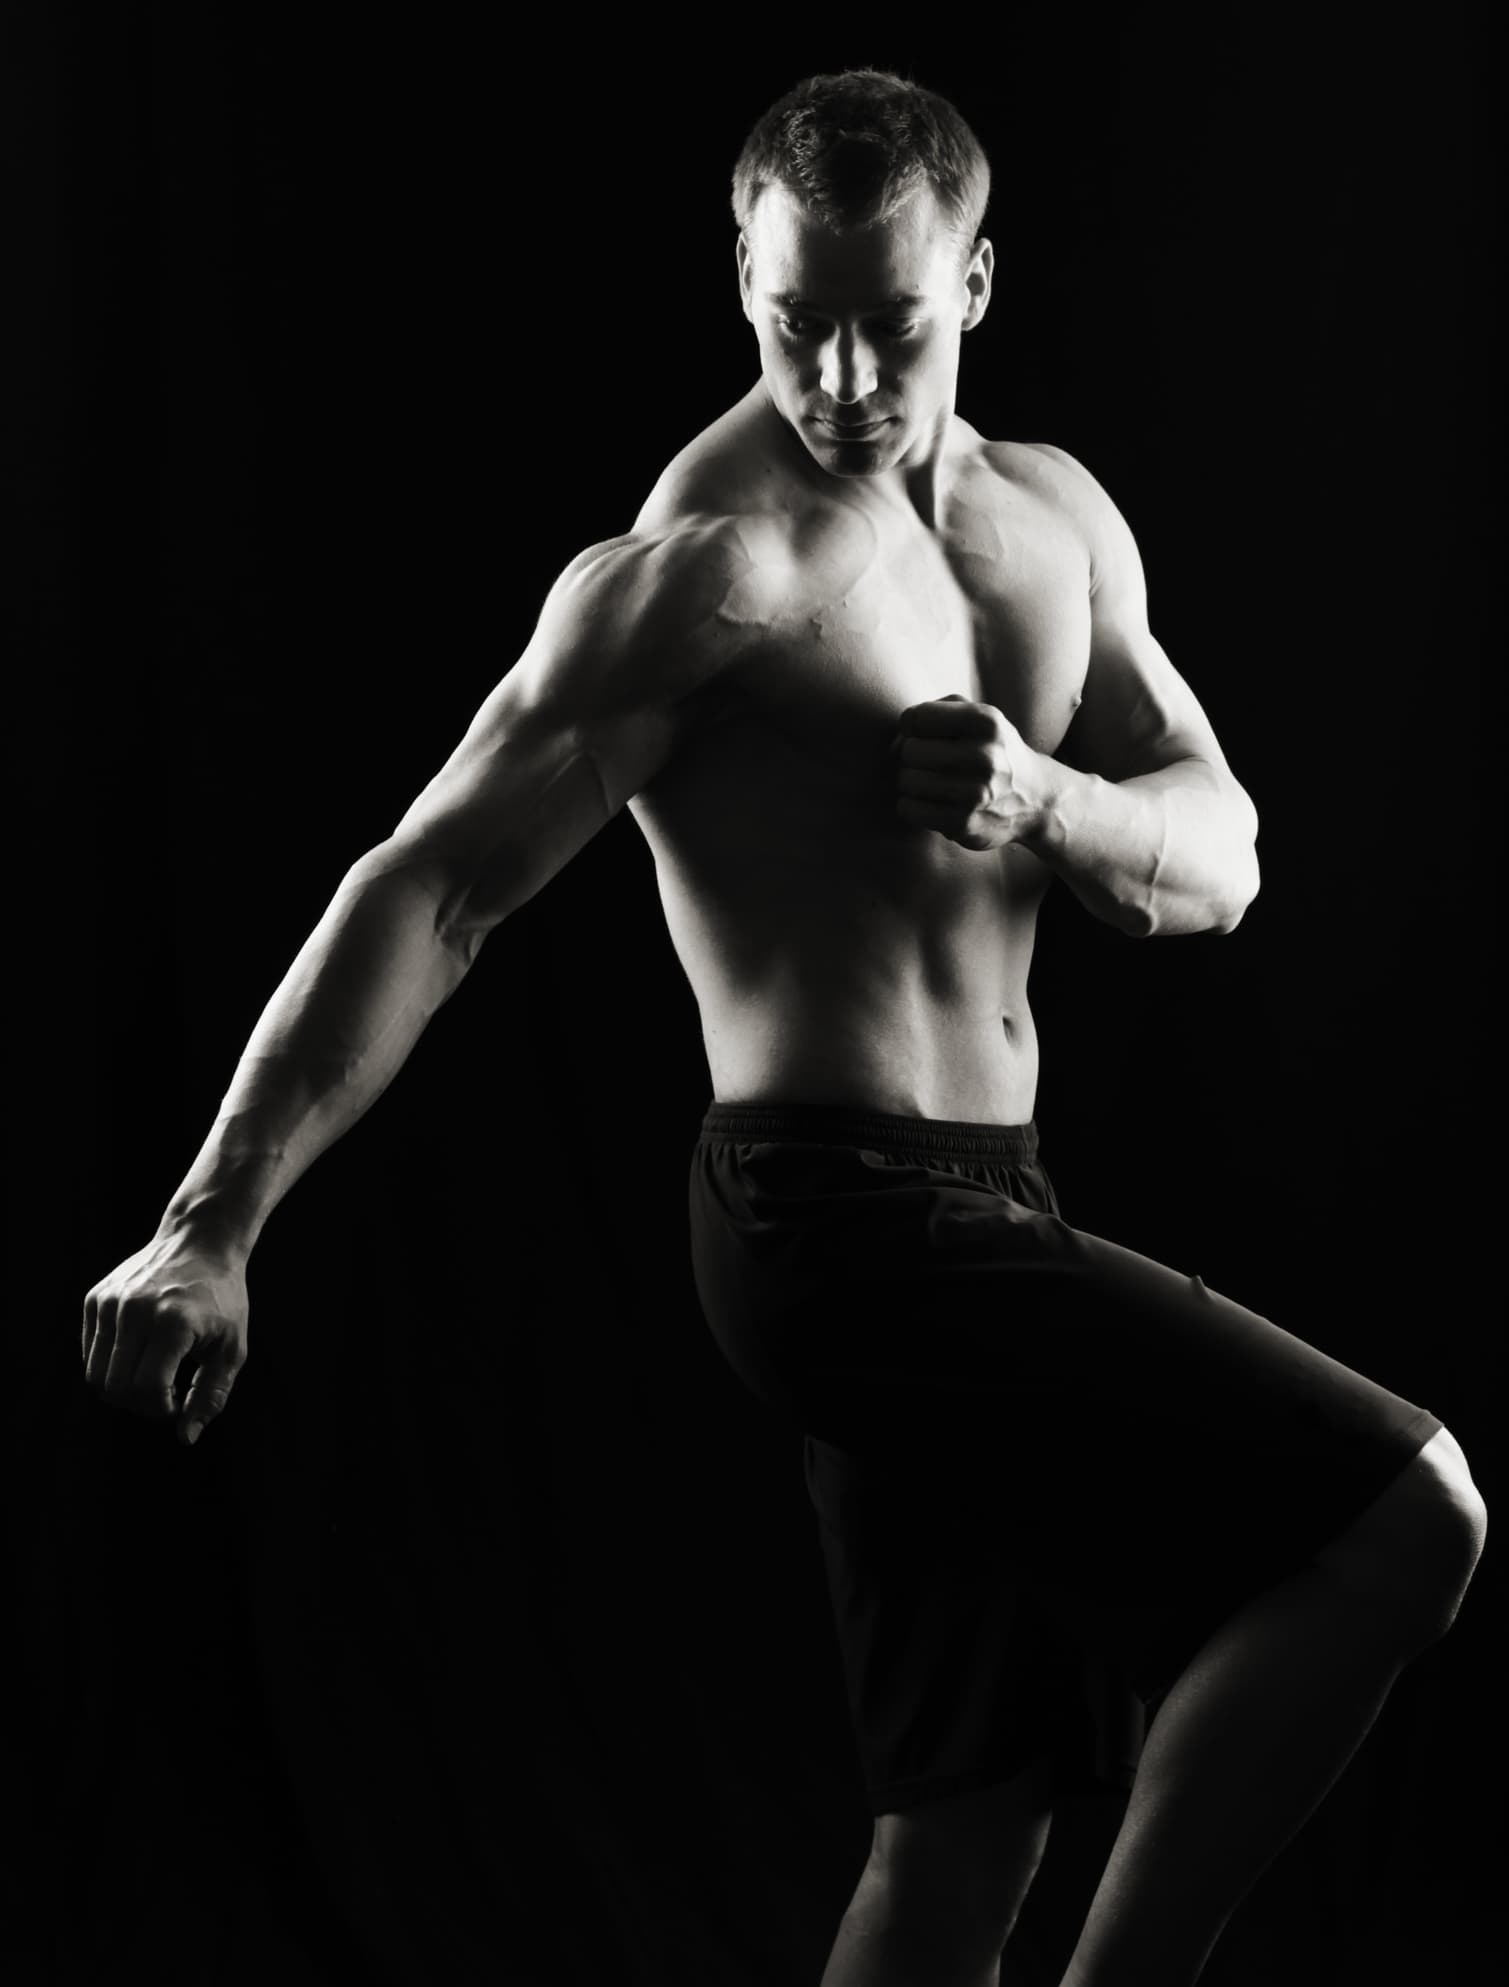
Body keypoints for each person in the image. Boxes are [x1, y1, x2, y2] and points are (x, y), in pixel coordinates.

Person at [82, 68, 1485, 1987]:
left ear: (975, 283)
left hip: (994, 1197)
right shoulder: (716, 570)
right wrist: (212, 1223)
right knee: (1407, 1514)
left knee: (961, 1848)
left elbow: (1221, 851)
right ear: (738, 279)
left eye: (889, 322)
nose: (836, 376)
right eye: (786, 318)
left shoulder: (1052, 526)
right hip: (833, 1219)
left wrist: (1049, 807)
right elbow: (435, 883)